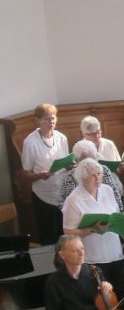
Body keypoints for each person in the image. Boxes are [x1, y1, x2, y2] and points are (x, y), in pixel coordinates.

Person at [61, 157, 124, 298]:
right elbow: (68, 231)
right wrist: (92, 229)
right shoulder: (73, 199)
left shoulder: (107, 190)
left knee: (118, 293)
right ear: (83, 178)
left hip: (114, 252)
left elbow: (117, 219)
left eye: (99, 174)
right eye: (93, 175)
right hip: (92, 257)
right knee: (100, 298)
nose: (98, 178)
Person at [21, 103, 68, 243]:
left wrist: (69, 165)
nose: (51, 122)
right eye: (46, 119)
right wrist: (39, 176)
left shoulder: (61, 138)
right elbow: (25, 174)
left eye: (53, 118)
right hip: (43, 197)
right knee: (48, 237)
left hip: (62, 195)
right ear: (38, 120)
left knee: (64, 236)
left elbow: (65, 164)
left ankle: (65, 265)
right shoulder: (30, 142)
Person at [61, 140, 124, 216]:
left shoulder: (104, 170)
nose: (90, 164)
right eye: (85, 161)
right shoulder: (70, 177)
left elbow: (115, 196)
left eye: (92, 159)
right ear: (76, 161)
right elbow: (69, 207)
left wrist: (120, 217)